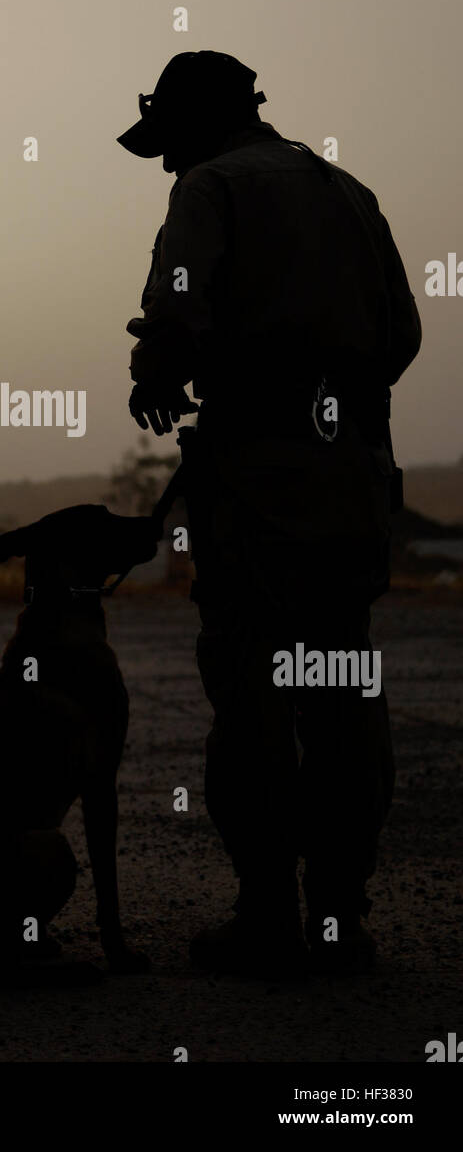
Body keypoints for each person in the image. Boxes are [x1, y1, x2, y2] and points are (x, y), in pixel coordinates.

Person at [118, 51, 421, 977]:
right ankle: (339, 921)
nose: (166, 167)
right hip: (355, 480)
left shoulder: (210, 187)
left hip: (260, 483)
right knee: (340, 693)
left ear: (196, 126)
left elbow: (176, 311)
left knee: (252, 691)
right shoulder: (347, 189)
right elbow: (402, 335)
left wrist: (160, 375)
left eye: (168, 146)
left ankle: (265, 917)